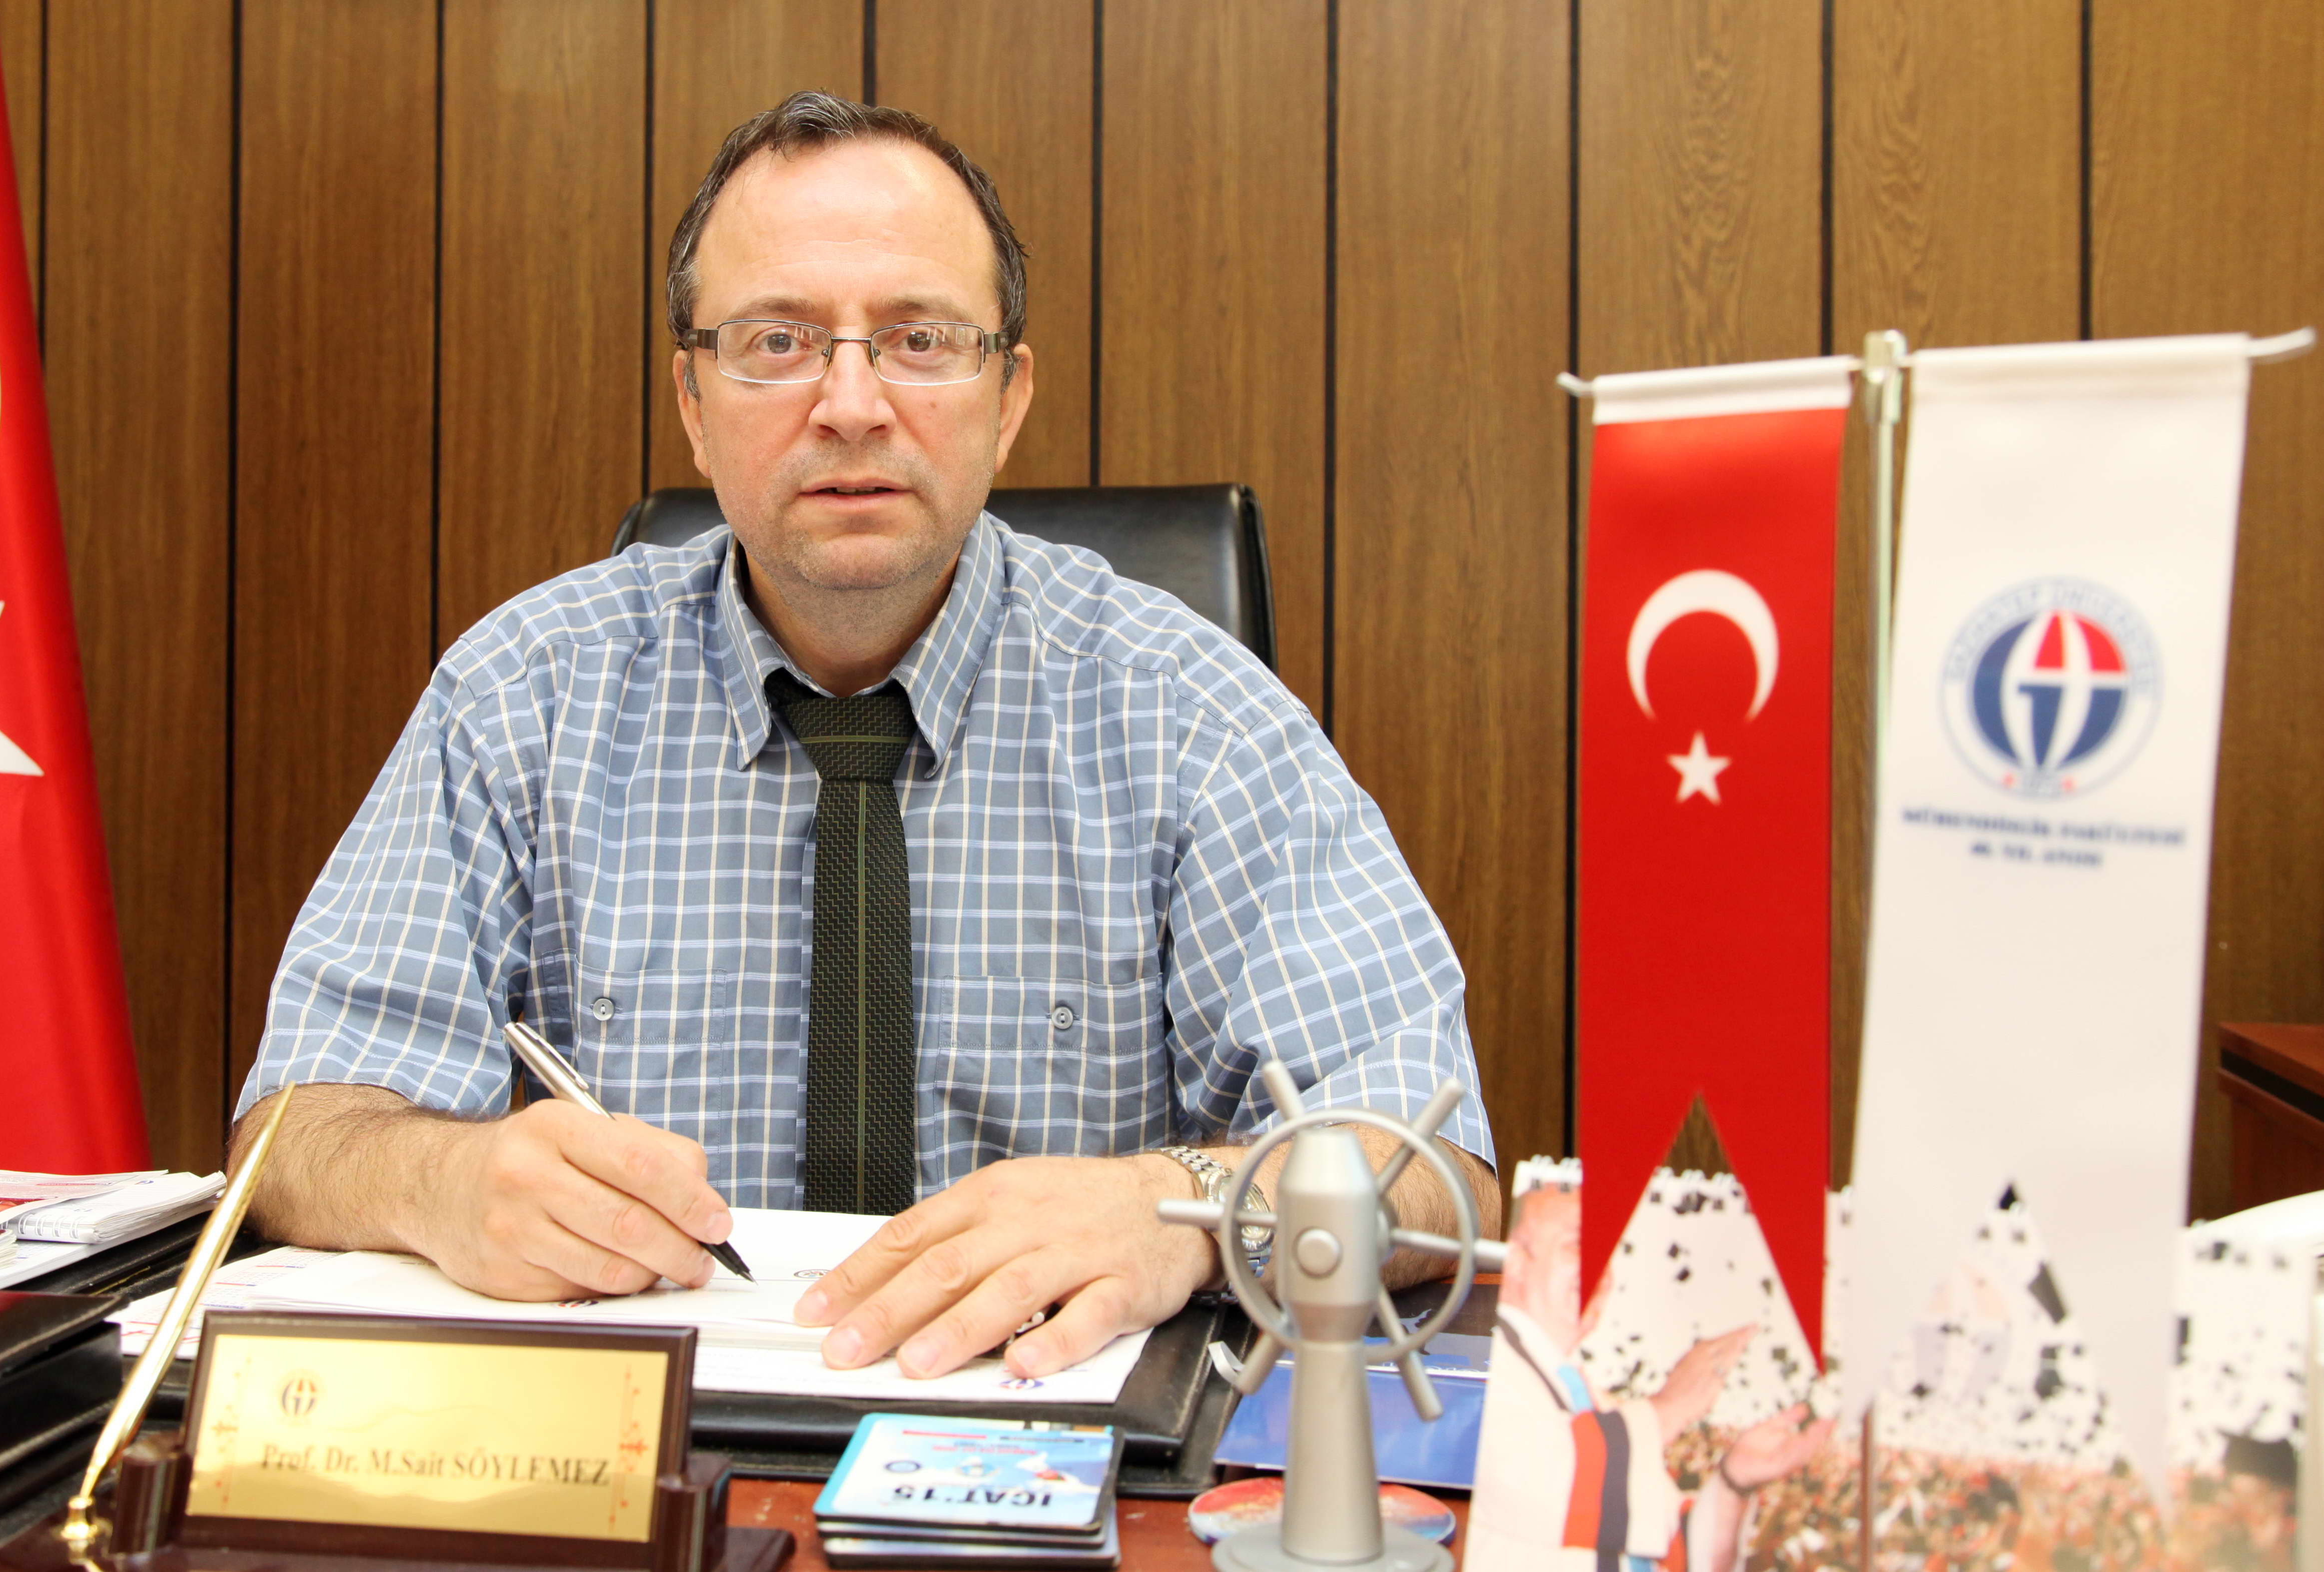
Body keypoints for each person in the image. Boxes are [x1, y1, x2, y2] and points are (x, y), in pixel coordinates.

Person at [230, 90, 1498, 1383]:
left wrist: (1174, 1205)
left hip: (1045, 1433)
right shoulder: (522, 694)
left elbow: (1432, 1169)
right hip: (644, 1437)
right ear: (692, 399)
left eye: (920, 339)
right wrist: (445, 1179)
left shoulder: (1188, 712)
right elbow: (297, 1129)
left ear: (1007, 397)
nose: (849, 402)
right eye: (777, 340)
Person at [1474, 1182, 1832, 1572]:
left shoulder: (1589, 1397)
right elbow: (1542, 1485)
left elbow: (1674, 1550)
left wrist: (1734, 1479)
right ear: (1516, 1262)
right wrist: (1670, 1407)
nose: (1600, 1270)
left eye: (1606, 1252)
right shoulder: (1494, 1373)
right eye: (1577, 1246)